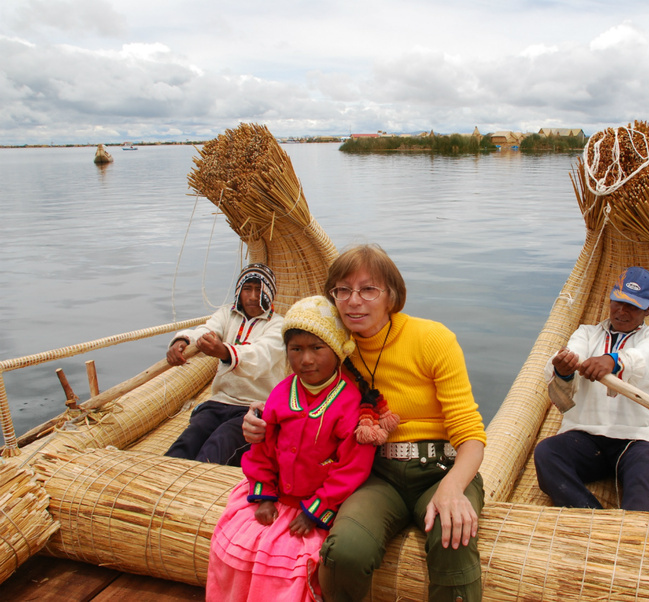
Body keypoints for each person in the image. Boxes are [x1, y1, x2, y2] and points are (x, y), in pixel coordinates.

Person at [244, 243, 487, 602]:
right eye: (343, 290)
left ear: (392, 295)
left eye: (368, 289)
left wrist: (452, 488)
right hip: (375, 475)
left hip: (439, 466)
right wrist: (256, 418)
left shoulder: (433, 339)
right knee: (345, 551)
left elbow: (470, 432)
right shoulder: (333, 348)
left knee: (452, 536)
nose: (354, 300)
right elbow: (295, 398)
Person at [206, 295, 376, 601]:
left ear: (337, 352)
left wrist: (314, 511)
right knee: (235, 546)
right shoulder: (282, 393)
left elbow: (352, 466)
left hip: (319, 505)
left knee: (291, 566)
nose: (306, 360)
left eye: (316, 348)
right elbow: (263, 449)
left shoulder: (349, 402)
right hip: (276, 497)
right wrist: (265, 495)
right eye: (296, 349)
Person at [534, 266, 649, 512]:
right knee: (547, 453)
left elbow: (646, 359)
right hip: (588, 437)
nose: (622, 311)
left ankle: (634, 528)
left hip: (638, 439)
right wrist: (564, 368)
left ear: (648, 309)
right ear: (610, 300)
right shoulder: (587, 333)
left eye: (632, 306)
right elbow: (573, 354)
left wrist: (614, 361)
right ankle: (591, 515)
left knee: (642, 492)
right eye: (618, 302)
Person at [165, 263, 285, 466]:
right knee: (188, 440)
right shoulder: (226, 315)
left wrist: (223, 351)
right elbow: (205, 330)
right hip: (219, 402)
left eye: (260, 289)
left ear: (270, 293)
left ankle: (194, 492)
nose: (254, 296)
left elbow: (260, 356)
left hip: (253, 406)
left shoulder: (279, 325)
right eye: (248, 289)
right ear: (239, 292)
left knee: (219, 445)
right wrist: (183, 341)